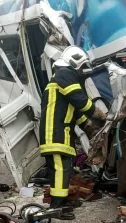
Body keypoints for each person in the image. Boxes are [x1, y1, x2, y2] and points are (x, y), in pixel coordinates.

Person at [39, 46, 106, 214]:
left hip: (59, 132)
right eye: (82, 66)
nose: (83, 71)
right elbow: (80, 101)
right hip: (55, 132)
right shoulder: (65, 74)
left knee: (64, 169)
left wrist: (89, 127)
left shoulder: (62, 77)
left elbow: (75, 112)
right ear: (74, 62)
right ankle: (57, 207)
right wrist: (98, 114)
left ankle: (61, 201)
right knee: (61, 169)